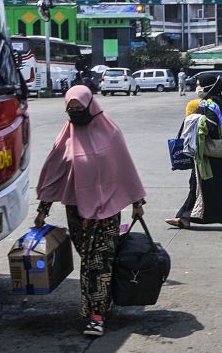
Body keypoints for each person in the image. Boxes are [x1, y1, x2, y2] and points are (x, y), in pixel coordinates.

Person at [33, 86, 146, 337]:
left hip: (107, 213)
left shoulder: (112, 134)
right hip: (77, 213)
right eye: (70, 110)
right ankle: (101, 303)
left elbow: (126, 169)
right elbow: (54, 174)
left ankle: (96, 315)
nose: (75, 114)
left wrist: (137, 203)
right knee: (89, 262)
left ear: (90, 107)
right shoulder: (67, 137)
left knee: (99, 264)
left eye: (79, 109)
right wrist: (43, 210)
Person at [166, 74, 222, 230]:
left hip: (209, 155)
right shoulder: (219, 102)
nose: (198, 88)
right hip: (217, 154)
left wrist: (195, 120)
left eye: (199, 85)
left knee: (213, 185)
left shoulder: (209, 105)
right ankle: (186, 217)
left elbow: (211, 126)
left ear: (208, 86)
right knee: (209, 185)